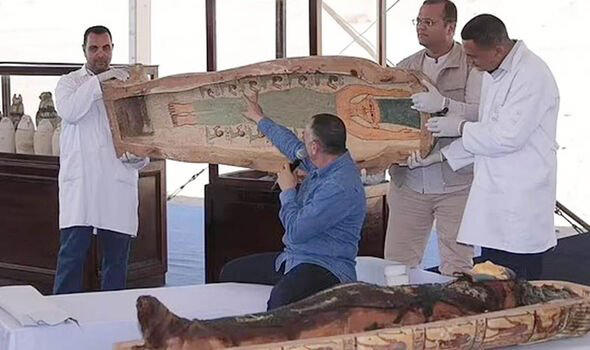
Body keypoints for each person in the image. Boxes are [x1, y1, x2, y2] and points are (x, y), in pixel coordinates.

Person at [413, 14, 559, 280]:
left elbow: (506, 137)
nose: (471, 64)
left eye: (474, 57)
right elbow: (487, 131)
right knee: (493, 281)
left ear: (498, 49)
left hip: (520, 202)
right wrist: (440, 157)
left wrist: (457, 128)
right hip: (494, 200)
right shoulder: (494, 70)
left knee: (521, 286)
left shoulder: (532, 74)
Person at [228, 91, 367, 310]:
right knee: (231, 272)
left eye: (306, 136)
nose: (302, 138)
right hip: (296, 257)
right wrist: (259, 118)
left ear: (315, 147)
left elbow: (295, 231)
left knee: (280, 300)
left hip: (326, 266)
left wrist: (288, 191)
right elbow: (291, 146)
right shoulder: (325, 160)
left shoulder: (339, 186)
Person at [385, 0, 482, 275]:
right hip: (409, 183)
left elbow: (482, 117)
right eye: (418, 21)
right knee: (396, 264)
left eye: (429, 22)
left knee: (458, 265)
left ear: (450, 27)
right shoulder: (404, 69)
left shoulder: (472, 63)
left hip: (455, 183)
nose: (421, 28)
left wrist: (444, 104)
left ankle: (457, 317)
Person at [53, 25, 148, 294]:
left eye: (106, 48)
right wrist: (101, 82)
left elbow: (141, 136)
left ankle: (111, 321)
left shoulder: (127, 86)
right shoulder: (69, 83)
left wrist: (137, 159)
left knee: (116, 265)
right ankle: (60, 321)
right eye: (94, 48)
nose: (100, 54)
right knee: (71, 260)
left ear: (112, 49)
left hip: (115, 187)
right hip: (81, 190)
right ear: (84, 50)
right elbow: (70, 111)